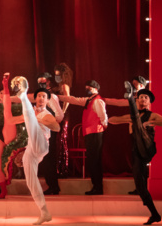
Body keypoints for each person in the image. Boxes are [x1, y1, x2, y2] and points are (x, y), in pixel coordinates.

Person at [109, 82, 162, 225]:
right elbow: (112, 120)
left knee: (138, 124)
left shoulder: (152, 116)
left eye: (146, 97)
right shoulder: (132, 117)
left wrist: (150, 123)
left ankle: (129, 97)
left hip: (147, 147)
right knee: (140, 185)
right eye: (141, 97)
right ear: (138, 100)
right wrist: (125, 120)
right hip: (136, 151)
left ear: (149, 101)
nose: (143, 99)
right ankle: (155, 214)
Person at [11, 77, 60, 225]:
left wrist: (37, 118)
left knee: (31, 121)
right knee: (31, 181)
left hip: (42, 145)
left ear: (47, 100)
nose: (40, 98)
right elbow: (11, 121)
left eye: (43, 96)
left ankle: (23, 94)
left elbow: (56, 127)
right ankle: (44, 211)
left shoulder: (47, 114)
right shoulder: (30, 113)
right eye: (38, 96)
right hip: (31, 149)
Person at [58, 79, 107, 195]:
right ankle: (96, 186)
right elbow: (73, 99)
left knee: (95, 161)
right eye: (86, 88)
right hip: (90, 133)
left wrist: (103, 127)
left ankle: (98, 188)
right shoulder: (88, 101)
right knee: (92, 160)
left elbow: (103, 117)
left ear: (96, 89)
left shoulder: (97, 101)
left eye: (89, 88)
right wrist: (59, 97)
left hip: (96, 133)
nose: (87, 90)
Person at [52, 63, 73, 178]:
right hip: (60, 114)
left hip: (63, 115)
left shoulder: (65, 85)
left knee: (62, 140)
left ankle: (63, 168)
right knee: (59, 141)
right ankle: (59, 168)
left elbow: (68, 100)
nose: (57, 77)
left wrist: (63, 113)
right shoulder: (59, 85)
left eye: (58, 75)